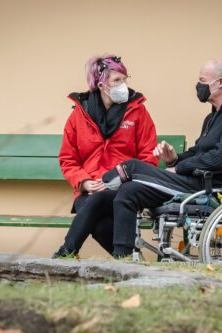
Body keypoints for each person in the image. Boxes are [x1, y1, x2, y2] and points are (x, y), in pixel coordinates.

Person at [102, 58, 222, 258]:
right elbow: (199, 152)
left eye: (202, 80)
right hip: (198, 181)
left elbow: (221, 158)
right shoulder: (213, 116)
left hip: (217, 188)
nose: (198, 86)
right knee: (129, 190)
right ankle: (122, 257)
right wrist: (174, 159)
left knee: (133, 166)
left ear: (221, 83)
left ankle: (101, 185)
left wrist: (179, 168)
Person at [53, 54, 158, 258]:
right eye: (117, 80)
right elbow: (68, 159)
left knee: (95, 203)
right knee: (97, 218)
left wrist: (119, 180)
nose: (124, 85)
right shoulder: (78, 115)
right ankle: (127, 259)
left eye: (125, 79)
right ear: (101, 84)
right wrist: (83, 183)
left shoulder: (138, 111)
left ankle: (66, 252)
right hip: (90, 188)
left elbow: (148, 156)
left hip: (126, 186)